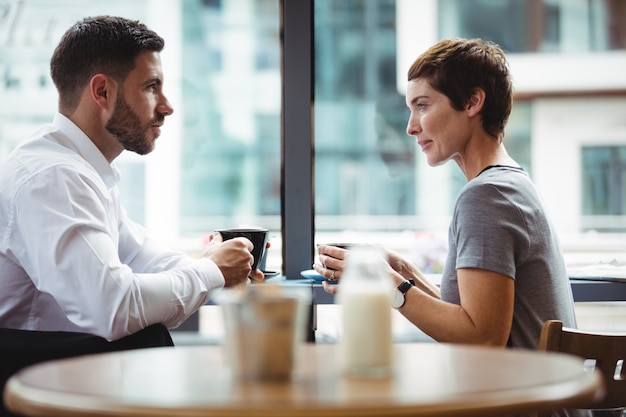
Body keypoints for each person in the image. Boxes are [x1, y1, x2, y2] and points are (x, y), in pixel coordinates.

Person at [0, 16, 265, 343]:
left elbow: (141, 256)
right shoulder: (52, 177)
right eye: (151, 86)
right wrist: (211, 272)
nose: (167, 107)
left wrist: (217, 264)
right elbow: (115, 308)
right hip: (35, 382)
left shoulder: (85, 169)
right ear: (102, 92)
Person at [315, 38, 579, 350]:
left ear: (472, 102)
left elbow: (482, 337)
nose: (411, 127)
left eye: (422, 106)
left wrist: (386, 282)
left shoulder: (486, 196)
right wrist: (402, 269)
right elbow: (471, 318)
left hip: (521, 395)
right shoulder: (509, 183)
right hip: (542, 386)